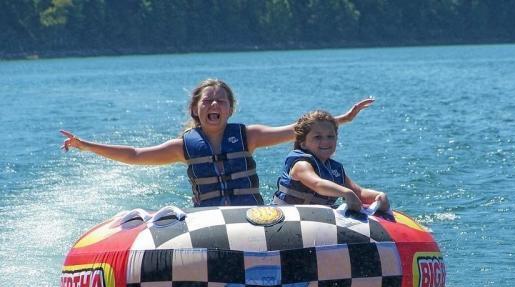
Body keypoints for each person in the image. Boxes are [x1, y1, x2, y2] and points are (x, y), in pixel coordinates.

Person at [61, 78, 373, 207]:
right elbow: (135, 155)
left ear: (230, 108)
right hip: (210, 221)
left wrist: (342, 119)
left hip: (252, 219)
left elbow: (299, 129)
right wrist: (86, 145)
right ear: (195, 109)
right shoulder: (185, 146)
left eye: (221, 101)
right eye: (208, 101)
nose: (214, 105)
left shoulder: (248, 136)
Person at [273, 110, 389, 212]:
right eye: (317, 137)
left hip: (317, 223)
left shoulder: (334, 169)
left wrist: (377, 196)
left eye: (330, 136)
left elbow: (359, 192)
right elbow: (317, 184)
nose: (326, 141)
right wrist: (345, 193)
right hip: (287, 219)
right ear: (303, 143)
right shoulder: (301, 165)